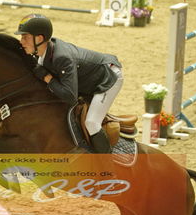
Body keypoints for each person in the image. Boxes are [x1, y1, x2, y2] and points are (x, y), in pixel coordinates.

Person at [15, 13, 123, 154]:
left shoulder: (62, 58)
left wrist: (48, 78)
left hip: (108, 78)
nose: (21, 41)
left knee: (91, 123)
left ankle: (107, 164)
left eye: (25, 37)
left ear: (39, 38)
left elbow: (70, 96)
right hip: (89, 76)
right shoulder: (42, 52)